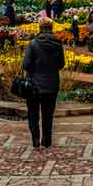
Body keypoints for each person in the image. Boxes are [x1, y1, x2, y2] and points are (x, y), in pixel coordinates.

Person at [22, 17, 65, 149]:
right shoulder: (58, 43)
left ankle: (35, 139)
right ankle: (47, 141)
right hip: (52, 83)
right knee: (48, 115)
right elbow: (61, 64)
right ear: (51, 28)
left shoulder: (33, 44)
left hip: (34, 84)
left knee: (33, 114)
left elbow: (26, 64)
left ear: (39, 28)